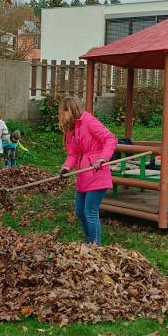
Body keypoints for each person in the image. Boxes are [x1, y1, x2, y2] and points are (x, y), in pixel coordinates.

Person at [58, 96, 117, 245]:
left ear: (70, 110)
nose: (61, 116)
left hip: (97, 171)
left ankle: (95, 246)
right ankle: (89, 240)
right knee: (79, 212)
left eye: (63, 112)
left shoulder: (88, 121)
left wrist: (103, 158)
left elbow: (110, 138)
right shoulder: (70, 130)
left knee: (90, 212)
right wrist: (66, 168)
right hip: (83, 174)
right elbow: (72, 154)